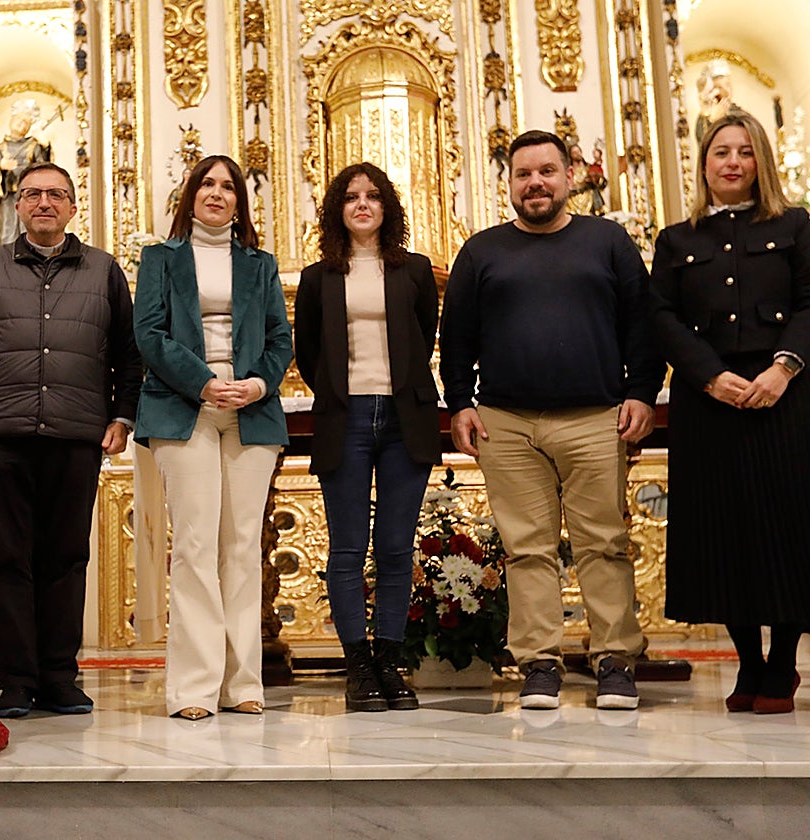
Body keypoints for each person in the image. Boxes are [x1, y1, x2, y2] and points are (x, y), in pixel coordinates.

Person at [439, 130, 666, 711]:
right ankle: (539, 664)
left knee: (604, 544)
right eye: (523, 174)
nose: (535, 183)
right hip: (506, 422)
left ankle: (614, 659)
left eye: (546, 171)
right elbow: (456, 336)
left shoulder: (607, 241)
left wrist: (641, 392)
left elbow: (641, 325)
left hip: (595, 415)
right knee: (526, 549)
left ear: (570, 178)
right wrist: (461, 401)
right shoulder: (482, 251)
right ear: (509, 184)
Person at [650, 111, 810, 714]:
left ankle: (783, 663)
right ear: (705, 164)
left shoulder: (794, 225)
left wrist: (783, 368)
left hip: (785, 399)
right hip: (710, 401)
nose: (733, 162)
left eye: (745, 152)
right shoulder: (677, 239)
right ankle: (747, 662)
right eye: (722, 152)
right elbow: (660, 316)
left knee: (787, 526)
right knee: (725, 531)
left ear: (760, 162)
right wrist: (710, 376)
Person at [0, 162, 142, 718]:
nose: (44, 202)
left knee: (66, 559)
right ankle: (17, 682)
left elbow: (127, 353)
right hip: (3, 434)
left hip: (76, 434)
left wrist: (122, 416)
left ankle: (59, 677)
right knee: (7, 561)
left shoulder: (103, 270)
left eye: (56, 195)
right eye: (32, 194)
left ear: (73, 207)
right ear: (17, 205)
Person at [133, 154, 292, 720]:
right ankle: (194, 689)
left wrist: (255, 384)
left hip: (251, 407)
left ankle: (244, 684)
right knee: (197, 547)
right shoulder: (160, 258)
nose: (218, 194)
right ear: (190, 194)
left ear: (239, 202)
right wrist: (203, 383)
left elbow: (280, 337)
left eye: (229, 187)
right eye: (208, 184)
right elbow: (148, 335)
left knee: (242, 548)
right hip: (185, 407)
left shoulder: (260, 264)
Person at [294, 162, 441, 712]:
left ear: (387, 208)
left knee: (397, 547)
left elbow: (423, 335)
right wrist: (341, 392)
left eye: (373, 197)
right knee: (349, 548)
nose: (362, 205)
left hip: (406, 417)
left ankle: (390, 660)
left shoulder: (415, 271)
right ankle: (357, 665)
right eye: (351, 197)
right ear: (337, 210)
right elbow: (308, 350)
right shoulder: (319, 277)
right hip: (346, 418)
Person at [0, 104, 52, 247]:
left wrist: (45, 146)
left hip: (29, 199)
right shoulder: (1, 148)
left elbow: (45, 169)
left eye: (26, 123)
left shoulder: (33, 145)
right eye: (19, 120)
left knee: (29, 233)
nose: (22, 124)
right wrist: (0, 166)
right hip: (9, 200)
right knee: (6, 235)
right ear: (11, 120)